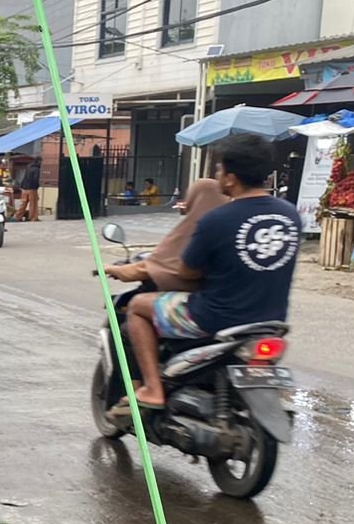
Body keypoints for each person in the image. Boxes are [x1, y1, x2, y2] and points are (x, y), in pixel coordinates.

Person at [123, 135, 301, 409]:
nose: (217, 175)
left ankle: (152, 388)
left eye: (219, 169)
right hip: (271, 321)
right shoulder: (290, 216)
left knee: (136, 306)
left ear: (230, 177)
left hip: (212, 318)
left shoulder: (216, 219)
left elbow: (187, 271)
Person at [105, 178, 228, 292]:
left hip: (203, 301)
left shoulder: (198, 230)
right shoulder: (229, 227)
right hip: (232, 300)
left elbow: (155, 267)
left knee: (137, 305)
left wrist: (111, 269)